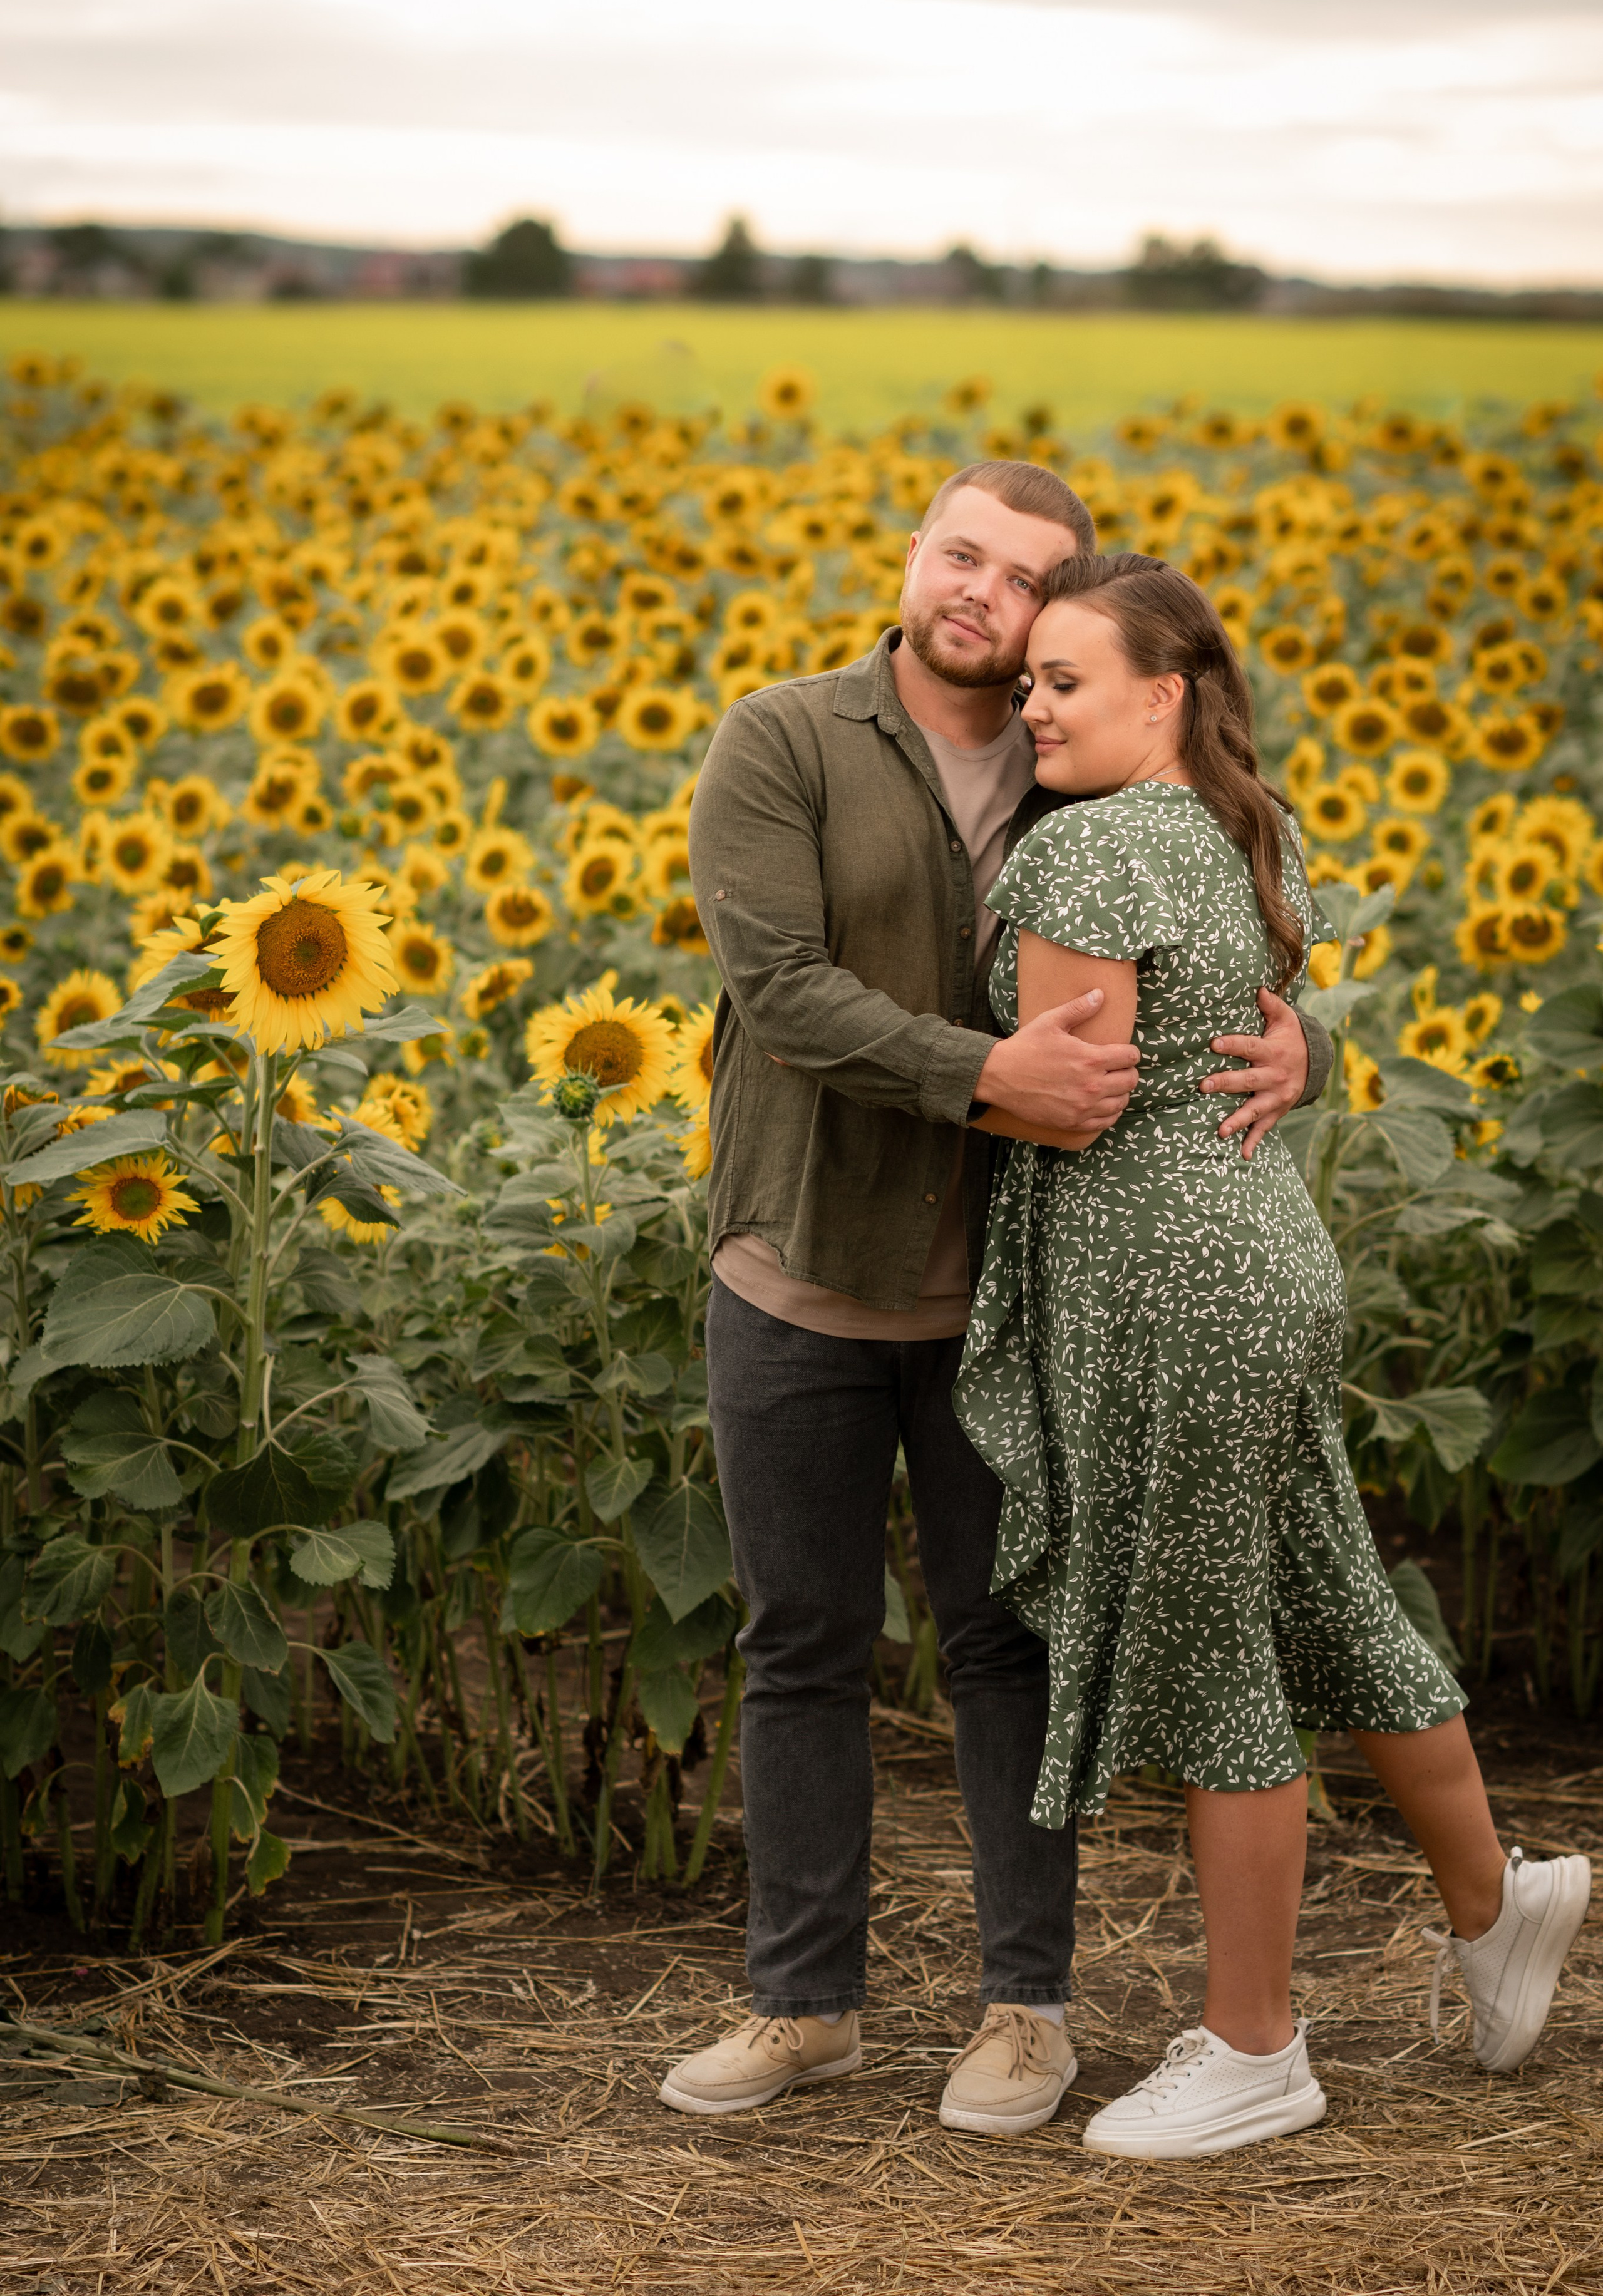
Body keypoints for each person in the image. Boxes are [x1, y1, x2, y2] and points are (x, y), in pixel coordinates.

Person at [661, 464, 1334, 2133]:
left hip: (1010, 1299)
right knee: (801, 1644)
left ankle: (1026, 2011)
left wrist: (1308, 1050)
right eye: (961, 554)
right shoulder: (785, 740)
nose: (982, 593)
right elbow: (781, 988)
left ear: (1064, 613)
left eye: (1025, 578)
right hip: (798, 1268)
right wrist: (984, 1077)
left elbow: (1218, 951)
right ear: (914, 555)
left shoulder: (1081, 757)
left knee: (1002, 1642)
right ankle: (803, 2005)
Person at [954, 550, 1593, 2159]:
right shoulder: (1248, 827)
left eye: (1064, 682)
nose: (1033, 710)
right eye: (1026, 684)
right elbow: (1232, 1026)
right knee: (1328, 1595)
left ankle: (1253, 2046)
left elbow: (1068, 1099)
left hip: (1166, 1289)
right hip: (1258, 1256)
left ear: (1161, 694)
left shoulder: (1083, 849)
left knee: (1211, 1650)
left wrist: (930, 1080)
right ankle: (1496, 1901)